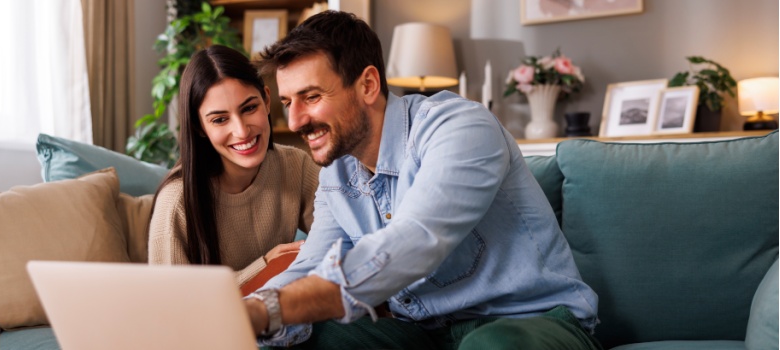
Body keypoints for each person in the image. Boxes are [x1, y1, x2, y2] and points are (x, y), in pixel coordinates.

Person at [243, 11, 602, 350]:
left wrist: (270, 308)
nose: (294, 122)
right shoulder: (337, 175)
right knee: (311, 337)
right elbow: (311, 267)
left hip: (532, 322)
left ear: (368, 84)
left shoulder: (460, 128)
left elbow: (416, 241)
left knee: (490, 346)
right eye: (288, 102)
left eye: (312, 97)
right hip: (424, 334)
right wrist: (245, 313)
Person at [147, 45, 319, 288]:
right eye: (219, 120)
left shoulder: (295, 165)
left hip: (283, 318)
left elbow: (345, 239)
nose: (241, 131)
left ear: (267, 100)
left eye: (249, 108)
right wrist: (266, 267)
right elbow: (170, 304)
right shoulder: (176, 201)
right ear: (199, 127)